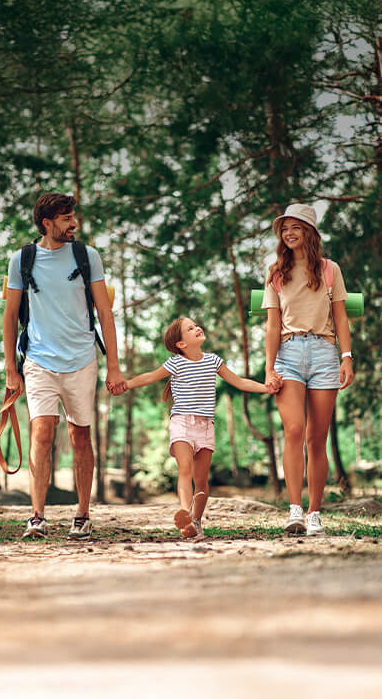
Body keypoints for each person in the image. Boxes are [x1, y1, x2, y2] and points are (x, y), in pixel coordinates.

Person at [3, 192, 125, 540]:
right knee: (41, 433)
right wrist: (11, 367)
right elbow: (10, 316)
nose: (75, 224)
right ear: (47, 223)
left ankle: (82, 515)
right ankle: (37, 517)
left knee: (80, 435)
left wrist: (113, 365)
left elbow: (104, 312)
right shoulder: (22, 260)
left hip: (82, 359)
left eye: (74, 216)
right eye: (67, 218)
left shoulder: (87, 257)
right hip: (39, 360)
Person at [123, 317, 268, 539]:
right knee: (185, 470)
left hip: (205, 426)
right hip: (181, 422)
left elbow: (239, 382)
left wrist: (266, 388)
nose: (197, 328)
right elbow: (150, 377)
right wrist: (126, 384)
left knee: (201, 479)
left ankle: (196, 522)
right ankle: (186, 515)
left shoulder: (213, 361)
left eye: (196, 325)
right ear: (181, 344)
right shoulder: (176, 363)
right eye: (190, 329)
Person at [262, 203, 354, 536]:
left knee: (317, 438)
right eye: (284, 228)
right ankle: (295, 510)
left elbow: (341, 317)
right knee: (294, 430)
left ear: (309, 232)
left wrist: (346, 356)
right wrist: (269, 368)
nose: (288, 233)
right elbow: (272, 327)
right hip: (288, 354)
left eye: (295, 227)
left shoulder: (330, 270)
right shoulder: (276, 272)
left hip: (324, 354)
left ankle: (315, 512)